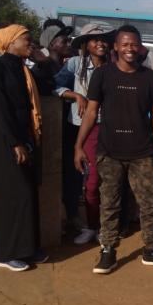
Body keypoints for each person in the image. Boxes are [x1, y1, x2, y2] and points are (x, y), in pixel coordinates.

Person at [73, 25, 153, 274]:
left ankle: (150, 250)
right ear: (116, 47)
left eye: (134, 44)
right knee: (110, 204)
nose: (130, 49)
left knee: (149, 204)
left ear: (140, 47)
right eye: (125, 44)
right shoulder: (103, 74)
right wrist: (78, 145)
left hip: (142, 152)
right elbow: (91, 111)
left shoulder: (149, 77)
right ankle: (108, 250)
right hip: (109, 152)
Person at [0, 25, 45, 271]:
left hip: (25, 137)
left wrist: (41, 61)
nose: (31, 43)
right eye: (26, 40)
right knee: (10, 196)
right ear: (9, 42)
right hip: (5, 141)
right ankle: (5, 254)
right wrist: (14, 142)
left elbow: (48, 81)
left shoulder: (23, 69)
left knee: (26, 194)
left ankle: (26, 249)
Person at [53, 23, 114, 245]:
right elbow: (55, 86)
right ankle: (86, 224)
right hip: (79, 127)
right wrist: (75, 96)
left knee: (106, 180)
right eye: (95, 40)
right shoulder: (75, 64)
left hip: (107, 128)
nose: (100, 43)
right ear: (86, 45)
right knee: (83, 178)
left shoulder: (114, 66)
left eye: (104, 39)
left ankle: (103, 225)